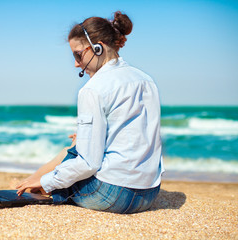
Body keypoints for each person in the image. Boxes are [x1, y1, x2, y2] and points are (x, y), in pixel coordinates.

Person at [14, 11, 164, 214]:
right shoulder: (146, 80)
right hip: (149, 194)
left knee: (74, 154)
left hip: (113, 196)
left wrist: (48, 181)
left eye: (77, 54)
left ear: (97, 48)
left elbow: (88, 163)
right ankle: (32, 181)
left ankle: (32, 183)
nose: (76, 63)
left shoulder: (93, 88)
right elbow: (138, 134)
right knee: (79, 145)